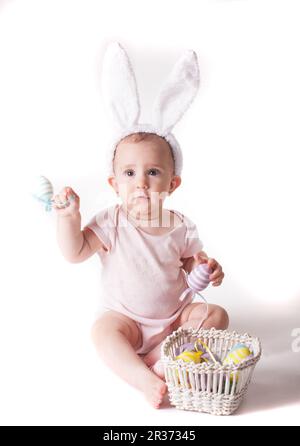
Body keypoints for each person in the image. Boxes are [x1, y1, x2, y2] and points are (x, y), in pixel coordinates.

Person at [53, 42, 228, 408]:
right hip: (127, 320)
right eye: (130, 173)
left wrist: (208, 269)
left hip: (175, 320)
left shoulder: (181, 226)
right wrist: (68, 218)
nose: (142, 183)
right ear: (115, 185)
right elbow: (75, 253)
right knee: (102, 333)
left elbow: (193, 263)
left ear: (172, 184)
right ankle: (144, 377)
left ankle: (167, 358)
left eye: (153, 172)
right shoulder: (110, 222)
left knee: (216, 315)